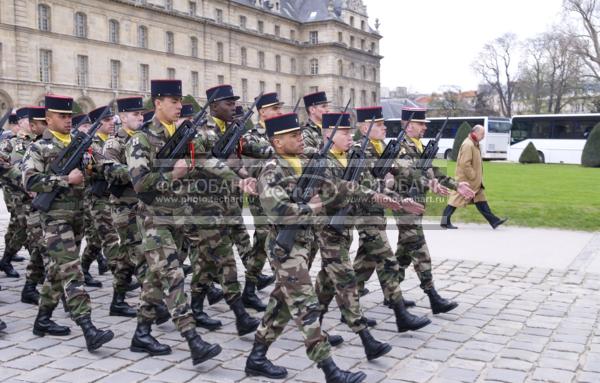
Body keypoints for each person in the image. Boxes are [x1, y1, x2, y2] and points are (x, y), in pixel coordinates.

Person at [245, 112, 367, 383]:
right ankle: (330, 370)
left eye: (301, 134)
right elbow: (278, 211)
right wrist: (311, 206)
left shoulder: (304, 164)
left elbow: (336, 189)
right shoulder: (272, 170)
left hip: (305, 244)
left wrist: (380, 196)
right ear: (277, 142)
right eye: (293, 136)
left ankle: (256, 358)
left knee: (280, 304)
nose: (301, 138)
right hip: (285, 249)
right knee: (306, 307)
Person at [126, 79, 222, 365]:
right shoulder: (140, 139)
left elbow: (205, 157)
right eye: (173, 101)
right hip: (154, 220)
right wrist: (173, 175)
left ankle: (141, 333)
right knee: (173, 276)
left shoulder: (181, 135)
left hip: (179, 217)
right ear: (157, 103)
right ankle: (193, 340)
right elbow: (140, 184)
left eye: (180, 101)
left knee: (155, 278)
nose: (179, 106)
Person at [22, 94, 114, 351]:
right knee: (73, 271)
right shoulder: (38, 148)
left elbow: (102, 164)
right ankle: (88, 327)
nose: (67, 121)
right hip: (54, 220)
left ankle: (42, 320)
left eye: (69, 116)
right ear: (48, 119)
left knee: (56, 271)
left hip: (78, 218)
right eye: (61, 116)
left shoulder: (80, 142)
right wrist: (64, 181)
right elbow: (29, 181)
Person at [350, 106, 432, 332]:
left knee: (364, 265)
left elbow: (397, 173)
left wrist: (401, 195)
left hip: (376, 213)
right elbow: (364, 184)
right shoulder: (359, 150)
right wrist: (387, 187)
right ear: (365, 127)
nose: (385, 127)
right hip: (364, 213)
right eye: (379, 124)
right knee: (388, 262)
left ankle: (348, 308)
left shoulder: (380, 148)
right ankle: (400, 315)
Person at [104, 96, 171, 355]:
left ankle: (118, 299)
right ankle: (156, 308)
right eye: (134, 115)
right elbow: (109, 170)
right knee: (138, 255)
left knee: (131, 256)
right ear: (122, 117)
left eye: (142, 115)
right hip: (124, 207)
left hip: (144, 205)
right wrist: (137, 170)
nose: (140, 118)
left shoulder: (144, 139)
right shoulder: (115, 142)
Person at [394, 107, 475, 314]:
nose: (424, 128)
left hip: (417, 204)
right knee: (419, 249)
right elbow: (408, 172)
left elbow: (435, 172)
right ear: (409, 124)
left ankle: (390, 293)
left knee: (404, 254)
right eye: (421, 124)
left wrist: (456, 185)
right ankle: (432, 296)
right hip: (405, 204)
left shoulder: (419, 146)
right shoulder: (399, 147)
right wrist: (429, 183)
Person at [238, 92, 282, 312]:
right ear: (263, 112)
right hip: (260, 196)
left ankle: (248, 289)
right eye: (275, 109)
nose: (279, 112)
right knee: (268, 239)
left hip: (279, 195)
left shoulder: (280, 134)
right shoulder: (251, 137)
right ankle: (287, 292)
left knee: (262, 243)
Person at [441, 124, 508, 229]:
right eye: (482, 134)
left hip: (474, 180)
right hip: (466, 180)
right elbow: (465, 163)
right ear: (475, 133)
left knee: (481, 200)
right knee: (454, 201)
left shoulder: (474, 143)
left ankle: (494, 221)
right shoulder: (468, 145)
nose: (484, 136)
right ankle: (444, 222)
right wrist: (473, 176)